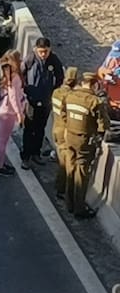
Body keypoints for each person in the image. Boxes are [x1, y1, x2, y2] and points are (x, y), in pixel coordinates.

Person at [60, 72, 111, 219]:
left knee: (70, 169)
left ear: (82, 82)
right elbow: (104, 125)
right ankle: (79, 209)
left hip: (69, 137)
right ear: (95, 84)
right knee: (81, 174)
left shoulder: (69, 96)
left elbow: (63, 114)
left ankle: (69, 204)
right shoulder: (95, 101)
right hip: (84, 142)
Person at [21, 37, 64, 169]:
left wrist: (53, 92)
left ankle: (36, 153)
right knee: (29, 129)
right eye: (41, 51)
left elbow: (60, 76)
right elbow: (21, 74)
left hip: (45, 101)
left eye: (45, 51)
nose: (43, 54)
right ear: (36, 50)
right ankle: (26, 157)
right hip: (31, 101)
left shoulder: (53, 60)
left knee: (40, 129)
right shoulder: (30, 58)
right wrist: (26, 90)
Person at [0, 51, 25, 176]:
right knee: (3, 140)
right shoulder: (14, 77)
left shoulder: (4, 71)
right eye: (19, 59)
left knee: (0, 138)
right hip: (8, 112)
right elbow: (14, 97)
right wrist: (19, 114)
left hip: (0, 108)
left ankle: (0, 163)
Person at [50, 66, 79, 198]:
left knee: (61, 160)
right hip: (66, 134)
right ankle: (62, 190)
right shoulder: (70, 97)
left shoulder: (56, 92)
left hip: (56, 129)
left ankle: (59, 187)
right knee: (67, 164)